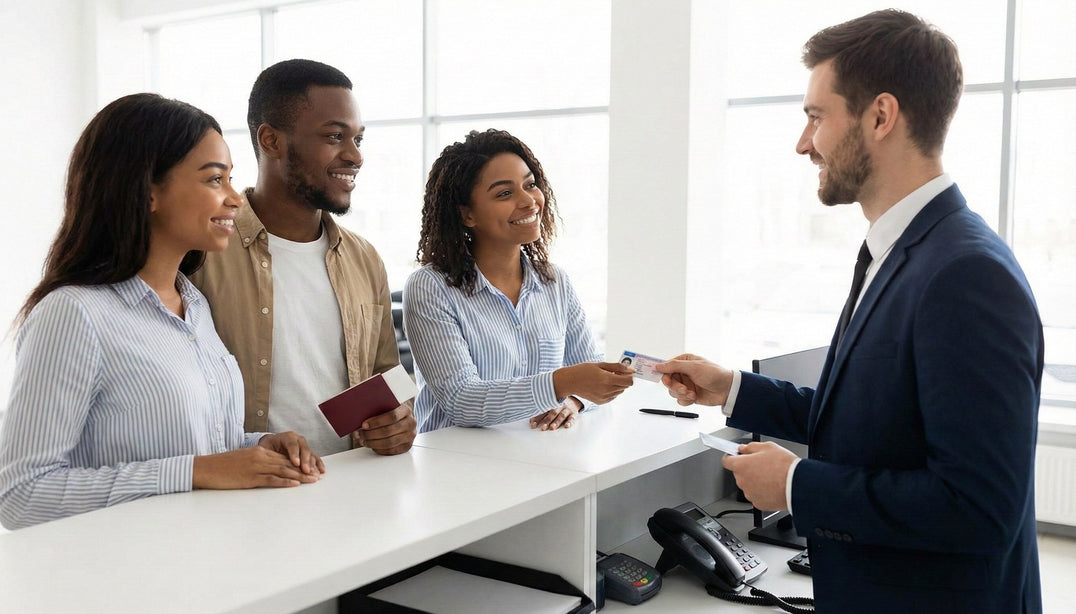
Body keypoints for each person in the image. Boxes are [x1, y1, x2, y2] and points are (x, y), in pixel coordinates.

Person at [656, 10, 1043, 613]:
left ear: (880, 116)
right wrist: (732, 388)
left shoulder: (966, 274)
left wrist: (794, 484)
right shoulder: (894, 251)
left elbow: (978, 507)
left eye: (816, 117)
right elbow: (868, 421)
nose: (803, 142)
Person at [0, 94, 324, 530]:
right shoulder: (73, 315)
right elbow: (21, 495)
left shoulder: (194, 304)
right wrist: (195, 471)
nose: (234, 199)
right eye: (214, 180)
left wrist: (259, 447)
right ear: (147, 192)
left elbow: (193, 446)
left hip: (207, 563)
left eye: (230, 179)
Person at [190, 59, 416, 457]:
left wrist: (398, 420)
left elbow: (388, 377)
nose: (355, 156)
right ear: (271, 141)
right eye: (334, 137)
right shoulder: (202, 252)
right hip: (245, 497)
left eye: (357, 140)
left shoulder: (364, 259)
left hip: (350, 488)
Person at [404, 129, 634, 433]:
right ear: (467, 215)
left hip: (540, 460)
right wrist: (562, 383)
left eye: (530, 185)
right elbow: (462, 401)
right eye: (504, 193)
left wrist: (574, 400)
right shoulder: (430, 287)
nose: (529, 201)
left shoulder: (555, 283)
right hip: (455, 466)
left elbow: (589, 367)